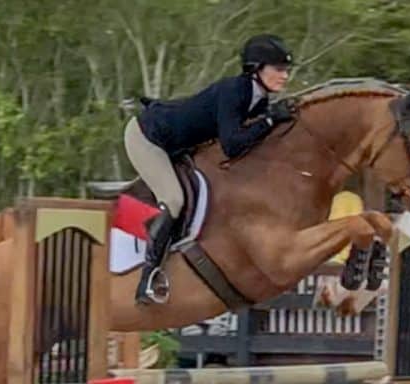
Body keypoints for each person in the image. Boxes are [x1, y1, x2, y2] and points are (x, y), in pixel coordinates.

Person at [124, 34, 295, 304]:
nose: (285, 76)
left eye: (286, 70)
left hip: (178, 144)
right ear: (256, 68)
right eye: (278, 69)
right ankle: (148, 277)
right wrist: (271, 120)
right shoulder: (235, 91)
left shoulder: (258, 98)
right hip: (148, 137)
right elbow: (232, 145)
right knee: (174, 199)